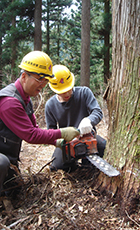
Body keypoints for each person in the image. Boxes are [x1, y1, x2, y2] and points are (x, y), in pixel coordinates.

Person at [0, 51, 79, 197]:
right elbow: (31, 135)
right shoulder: (10, 102)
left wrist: (57, 141)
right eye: (39, 79)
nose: (43, 84)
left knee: (13, 187)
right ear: (24, 76)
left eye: (46, 80)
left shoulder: (25, 99)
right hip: (2, 159)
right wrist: (63, 132)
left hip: (8, 157)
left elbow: (35, 129)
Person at [45, 64, 106, 172]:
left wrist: (89, 120)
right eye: (63, 91)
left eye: (69, 88)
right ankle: (72, 165)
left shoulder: (84, 93)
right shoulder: (50, 105)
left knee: (105, 149)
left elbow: (97, 112)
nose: (67, 93)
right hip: (68, 143)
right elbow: (51, 132)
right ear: (55, 89)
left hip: (88, 137)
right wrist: (62, 140)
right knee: (56, 167)